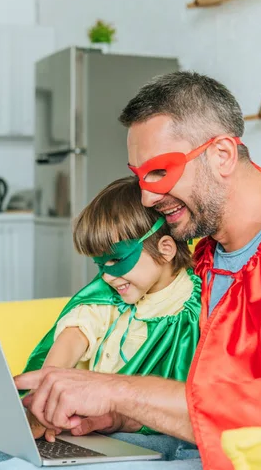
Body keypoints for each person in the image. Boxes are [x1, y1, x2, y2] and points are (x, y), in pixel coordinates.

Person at [0, 71, 261, 470]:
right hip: (191, 443)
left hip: (251, 468)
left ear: (224, 154)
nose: (147, 198)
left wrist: (120, 391)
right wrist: (117, 416)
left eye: (159, 172)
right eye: (138, 177)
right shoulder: (206, 250)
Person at [23, 176, 201, 441]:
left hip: (149, 435)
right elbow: (76, 333)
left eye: (117, 260)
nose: (107, 276)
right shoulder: (111, 293)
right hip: (84, 428)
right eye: (100, 264)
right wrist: (47, 391)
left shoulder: (195, 304)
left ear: (166, 250)